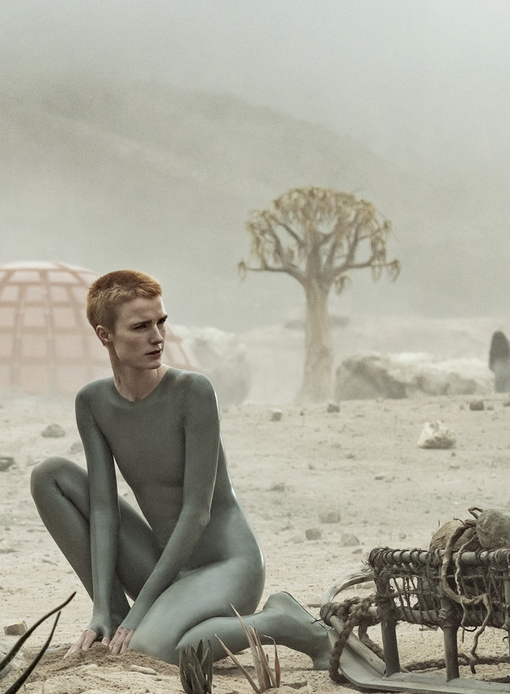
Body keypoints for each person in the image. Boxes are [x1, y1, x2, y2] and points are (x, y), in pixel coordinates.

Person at [30, 270, 330, 668]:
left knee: (152, 648)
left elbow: (196, 512)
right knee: (49, 476)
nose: (157, 337)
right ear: (105, 335)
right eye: (141, 327)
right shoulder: (93, 402)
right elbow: (103, 509)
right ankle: (114, 619)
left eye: (161, 322)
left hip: (227, 566)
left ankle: (283, 622)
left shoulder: (193, 391)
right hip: (168, 566)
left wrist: (141, 612)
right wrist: (106, 608)